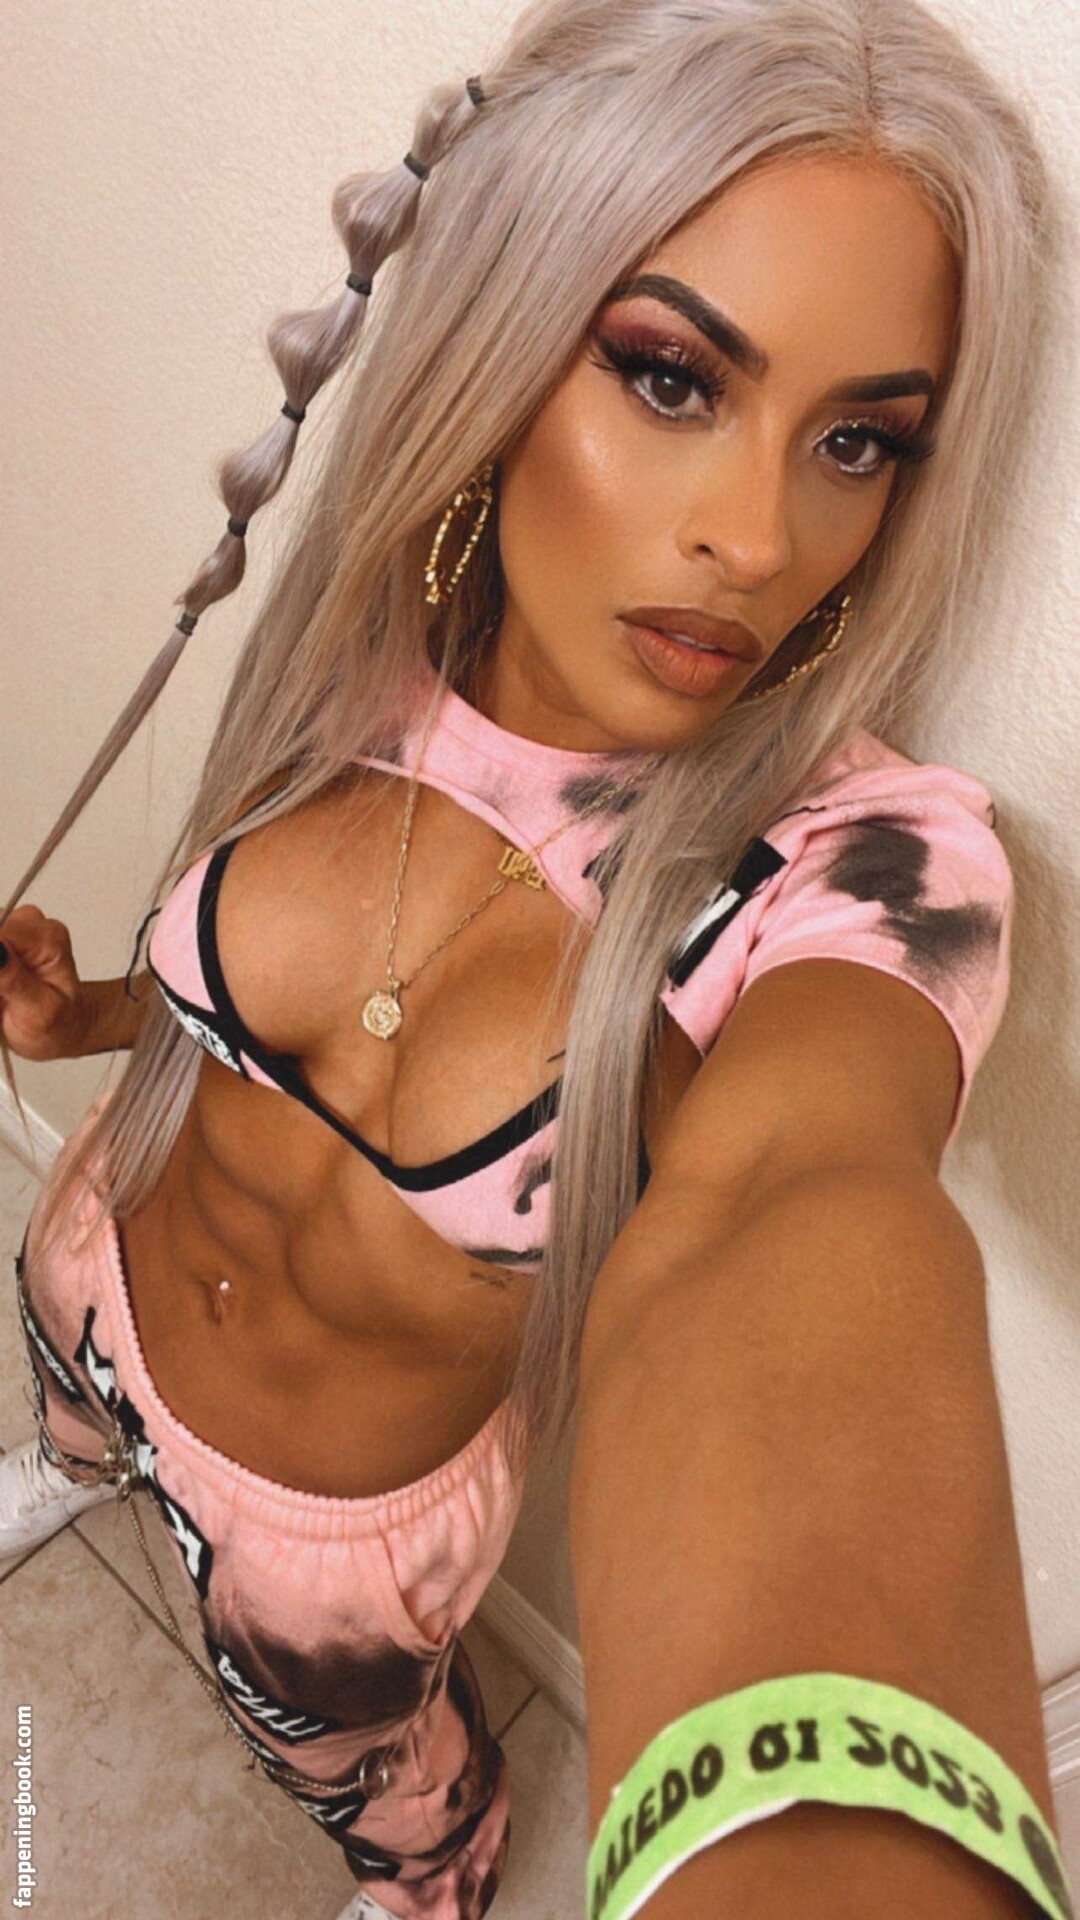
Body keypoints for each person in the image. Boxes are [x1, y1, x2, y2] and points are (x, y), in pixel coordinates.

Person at [0, 1, 1071, 1915]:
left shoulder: (856, 870)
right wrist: (78, 1013)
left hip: (327, 1559)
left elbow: (801, 1210)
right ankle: (75, 1458)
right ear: (503, 335)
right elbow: (234, 1027)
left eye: (856, 441)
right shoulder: (380, 627)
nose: (759, 536)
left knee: (385, 1797)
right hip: (89, 1287)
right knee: (74, 1412)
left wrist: (825, 1825)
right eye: (672, 377)